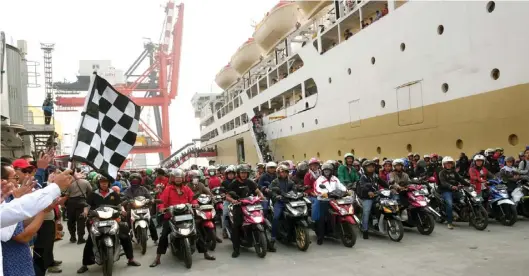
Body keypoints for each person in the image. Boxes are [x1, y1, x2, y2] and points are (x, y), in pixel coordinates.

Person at [150, 169, 215, 267]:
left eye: (180, 177)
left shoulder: (186, 189)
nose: (178, 179)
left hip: (186, 214)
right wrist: (162, 208)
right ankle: (158, 258)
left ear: (183, 178)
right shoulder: (168, 189)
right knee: (163, 235)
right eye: (176, 177)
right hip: (171, 216)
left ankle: (205, 253)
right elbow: (162, 201)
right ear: (172, 178)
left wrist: (195, 204)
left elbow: (192, 199)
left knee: (197, 232)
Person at [77, 175, 140, 274]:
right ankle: (85, 264)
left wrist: (123, 211)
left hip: (112, 218)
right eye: (102, 182)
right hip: (97, 219)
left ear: (109, 183)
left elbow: (119, 206)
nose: (104, 183)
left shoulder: (113, 194)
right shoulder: (93, 194)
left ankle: (130, 259)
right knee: (90, 241)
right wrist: (85, 213)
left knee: (125, 237)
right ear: (99, 183)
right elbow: (87, 206)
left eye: (106, 182)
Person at [225, 164, 264, 258]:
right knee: (236, 226)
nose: (244, 175)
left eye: (245, 173)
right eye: (242, 173)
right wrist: (233, 201)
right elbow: (227, 196)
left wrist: (261, 196)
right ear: (238, 173)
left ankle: (267, 243)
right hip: (238, 205)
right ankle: (236, 249)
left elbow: (257, 190)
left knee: (262, 220)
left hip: (250, 204)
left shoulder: (250, 182)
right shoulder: (234, 183)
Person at [314, 163, 346, 244]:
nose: (327, 172)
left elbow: (340, 186)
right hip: (324, 200)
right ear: (322, 171)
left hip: (335, 199)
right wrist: (323, 193)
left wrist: (346, 190)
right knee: (322, 217)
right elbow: (317, 188)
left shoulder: (334, 178)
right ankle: (320, 237)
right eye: (325, 170)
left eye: (328, 170)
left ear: (332, 171)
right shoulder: (320, 179)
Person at [122, 173, 158, 245]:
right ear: (131, 181)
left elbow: (149, 196)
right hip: (132, 209)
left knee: (151, 222)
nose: (135, 182)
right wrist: (125, 200)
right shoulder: (127, 190)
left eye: (136, 181)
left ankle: (155, 239)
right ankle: (126, 240)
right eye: (133, 181)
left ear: (139, 181)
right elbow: (124, 197)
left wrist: (151, 199)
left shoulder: (143, 189)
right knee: (127, 223)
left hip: (144, 208)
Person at [358, 160, 388, 239]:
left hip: (376, 195)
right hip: (367, 197)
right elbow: (363, 186)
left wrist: (390, 187)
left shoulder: (376, 176)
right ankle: (365, 230)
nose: (371, 168)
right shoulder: (363, 177)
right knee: (366, 212)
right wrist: (368, 192)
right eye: (369, 167)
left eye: (372, 167)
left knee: (385, 205)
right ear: (365, 168)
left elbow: (383, 183)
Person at [268, 164, 294, 251]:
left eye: (284, 172)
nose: (283, 174)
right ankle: (272, 239)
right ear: (278, 173)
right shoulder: (275, 182)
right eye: (281, 172)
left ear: (287, 173)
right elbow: (271, 190)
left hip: (290, 202)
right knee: (276, 218)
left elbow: (295, 189)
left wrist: (301, 191)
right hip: (279, 202)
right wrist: (276, 196)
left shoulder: (290, 182)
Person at [438, 156, 468, 230]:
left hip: (455, 190)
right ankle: (450, 222)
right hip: (446, 191)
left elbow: (461, 179)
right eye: (447, 163)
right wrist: (451, 186)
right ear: (443, 164)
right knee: (449, 204)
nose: (448, 165)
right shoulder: (442, 173)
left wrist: (469, 184)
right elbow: (443, 182)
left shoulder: (454, 172)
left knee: (465, 199)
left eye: (450, 163)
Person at [64, 177, 92, 244]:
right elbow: (90, 191)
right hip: (82, 201)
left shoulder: (69, 183)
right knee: (81, 221)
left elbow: (66, 194)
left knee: (71, 221)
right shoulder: (85, 182)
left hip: (71, 202)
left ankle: (72, 237)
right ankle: (80, 238)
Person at [221, 165, 236, 239]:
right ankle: (224, 230)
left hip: (238, 201)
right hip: (228, 201)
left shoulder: (237, 181)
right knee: (225, 214)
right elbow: (222, 191)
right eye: (229, 174)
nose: (231, 175)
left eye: (232, 174)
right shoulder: (224, 182)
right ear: (227, 175)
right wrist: (223, 194)